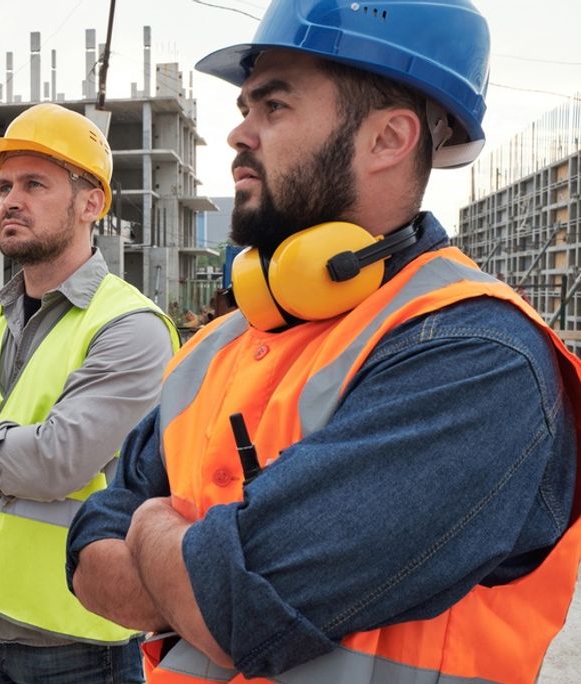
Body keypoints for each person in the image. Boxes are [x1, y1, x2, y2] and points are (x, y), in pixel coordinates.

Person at [67, 1, 581, 682]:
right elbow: (86, 554)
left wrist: (152, 529)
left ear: (387, 140)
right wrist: (177, 560)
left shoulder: (481, 358)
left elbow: (231, 608)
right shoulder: (220, 344)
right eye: (246, 106)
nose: (237, 134)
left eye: (272, 107)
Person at [0, 102, 179, 683]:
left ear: (91, 202)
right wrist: (16, 461)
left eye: (34, 184)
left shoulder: (130, 327)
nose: (10, 200)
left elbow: (53, 465)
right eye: (4, 185)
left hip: (75, 632)